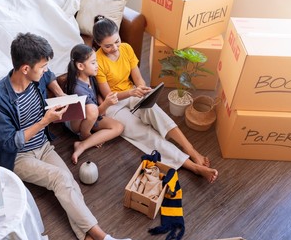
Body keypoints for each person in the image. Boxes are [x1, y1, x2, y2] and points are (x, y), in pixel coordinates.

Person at [0, 32, 141, 240]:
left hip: (44, 146)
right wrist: (44, 121)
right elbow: (9, 144)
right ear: (25, 69)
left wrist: (59, 94)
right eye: (43, 66)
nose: (47, 70)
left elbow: (48, 78)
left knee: (69, 184)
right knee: (61, 178)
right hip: (18, 157)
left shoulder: (36, 78)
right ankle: (105, 239)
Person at [92, 16, 218, 183]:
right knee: (146, 134)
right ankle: (192, 166)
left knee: (156, 112)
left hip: (133, 92)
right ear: (98, 44)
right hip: (114, 105)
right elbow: (110, 96)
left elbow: (138, 78)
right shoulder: (97, 60)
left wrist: (142, 89)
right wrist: (131, 93)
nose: (115, 48)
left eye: (117, 41)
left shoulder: (126, 48)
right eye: (108, 46)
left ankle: (192, 151)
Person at [65, 43, 124, 164]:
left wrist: (103, 104)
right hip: (76, 123)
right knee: (92, 109)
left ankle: (82, 145)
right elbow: (94, 112)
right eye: (93, 63)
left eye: (96, 61)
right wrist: (107, 104)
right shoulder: (78, 89)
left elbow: (97, 96)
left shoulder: (90, 76)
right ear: (80, 66)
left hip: (90, 116)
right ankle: (85, 136)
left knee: (119, 127)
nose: (97, 66)